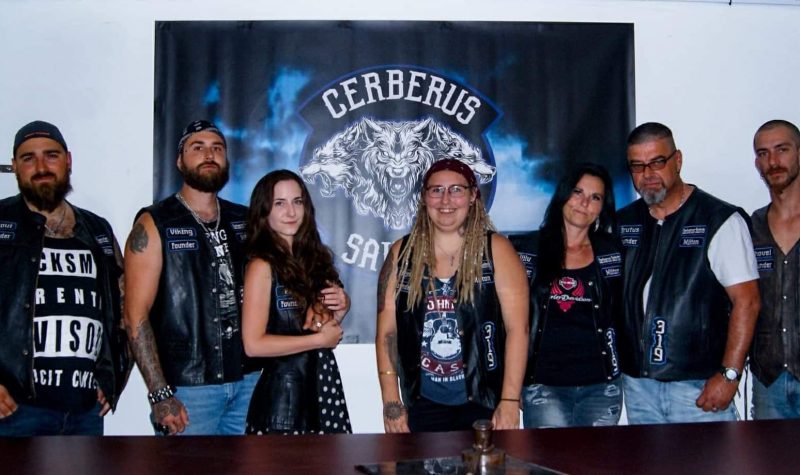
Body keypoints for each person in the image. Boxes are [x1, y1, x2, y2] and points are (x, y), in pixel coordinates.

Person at [617, 122, 760, 424]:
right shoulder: (621, 223)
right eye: (637, 166)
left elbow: (747, 302)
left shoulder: (719, 220)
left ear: (677, 160)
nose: (648, 174)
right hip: (638, 386)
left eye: (657, 162)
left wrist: (729, 374)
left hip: (698, 386)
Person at [124, 120, 258, 435]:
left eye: (217, 148)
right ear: (180, 161)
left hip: (250, 380)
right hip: (188, 387)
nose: (209, 155)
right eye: (197, 148)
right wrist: (159, 393)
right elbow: (134, 315)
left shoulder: (246, 220)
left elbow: (279, 282)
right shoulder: (155, 222)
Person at [376, 158, 529, 433]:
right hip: (423, 405)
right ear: (424, 198)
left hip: (484, 401)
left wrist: (508, 399)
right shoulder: (401, 253)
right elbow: (387, 333)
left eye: (456, 189)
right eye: (436, 190)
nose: (446, 199)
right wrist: (391, 402)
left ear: (473, 196)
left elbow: (518, 330)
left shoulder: (497, 250)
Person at [0, 121, 129, 436]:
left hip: (84, 411)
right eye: (29, 158)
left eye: (51, 155)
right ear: (15, 166)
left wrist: (113, 376)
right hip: (15, 410)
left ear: (68, 160)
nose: (41, 166)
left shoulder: (97, 230)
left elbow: (125, 309)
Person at [510, 163, 623, 428]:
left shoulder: (614, 252)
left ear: (602, 207)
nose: (584, 203)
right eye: (577, 192)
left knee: (596, 467)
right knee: (550, 467)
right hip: (543, 385)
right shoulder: (524, 250)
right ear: (563, 195)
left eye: (595, 197)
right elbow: (509, 322)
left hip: (601, 387)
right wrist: (511, 386)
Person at [241, 169, 351, 434]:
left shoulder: (312, 259)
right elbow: (253, 345)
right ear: (264, 211)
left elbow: (314, 329)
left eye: (297, 201)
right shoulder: (261, 265)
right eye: (280, 203)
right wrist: (317, 341)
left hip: (321, 389)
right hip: (283, 403)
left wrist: (340, 309)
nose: (291, 212)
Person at [749, 119, 800, 419]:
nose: (773, 161)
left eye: (782, 150)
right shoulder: (750, 227)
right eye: (763, 153)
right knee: (770, 465)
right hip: (768, 380)